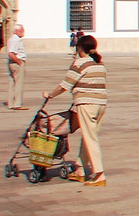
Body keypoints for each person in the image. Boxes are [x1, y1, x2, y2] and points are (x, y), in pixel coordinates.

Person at [42, 34, 108, 186]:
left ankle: (99, 174)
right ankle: (80, 169)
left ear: (79, 48)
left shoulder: (79, 63)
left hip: (87, 104)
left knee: (90, 138)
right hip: (101, 105)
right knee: (88, 136)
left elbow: (65, 85)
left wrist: (50, 95)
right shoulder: (99, 64)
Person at [6, 24, 27, 110]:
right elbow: (11, 53)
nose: (23, 32)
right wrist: (19, 63)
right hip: (16, 62)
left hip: (12, 63)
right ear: (16, 31)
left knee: (12, 83)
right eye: (22, 30)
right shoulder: (16, 40)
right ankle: (17, 104)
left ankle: (11, 103)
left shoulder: (12, 39)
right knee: (18, 83)